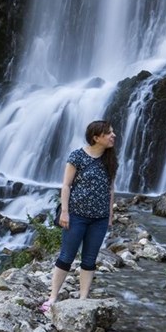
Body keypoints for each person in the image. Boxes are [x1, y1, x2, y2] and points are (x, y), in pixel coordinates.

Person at [40, 120, 117, 315]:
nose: (113, 136)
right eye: (109, 133)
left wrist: (109, 215)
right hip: (76, 216)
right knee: (66, 256)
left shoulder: (110, 160)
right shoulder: (77, 156)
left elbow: (110, 189)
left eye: (112, 132)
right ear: (96, 137)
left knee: (90, 259)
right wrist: (65, 212)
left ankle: (83, 299)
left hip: (99, 218)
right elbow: (66, 186)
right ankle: (52, 298)